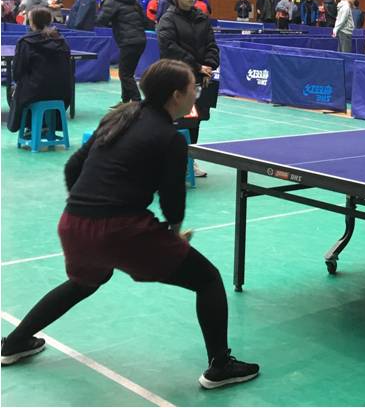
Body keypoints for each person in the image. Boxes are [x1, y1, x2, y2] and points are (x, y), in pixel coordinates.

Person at [0, 58, 260, 389]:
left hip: (73, 222)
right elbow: (172, 199)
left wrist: (87, 209)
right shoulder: (170, 138)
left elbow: (72, 169)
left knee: (83, 282)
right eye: (193, 88)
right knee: (207, 279)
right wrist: (174, 234)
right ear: (176, 95)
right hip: (120, 230)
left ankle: (14, 343)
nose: (196, 94)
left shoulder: (118, 117)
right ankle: (220, 366)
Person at [157, 0, 219, 178]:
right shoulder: (167, 19)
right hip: (176, 78)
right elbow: (169, 48)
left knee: (195, 121)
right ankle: (169, 161)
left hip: (199, 79)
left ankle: (189, 160)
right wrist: (197, 66)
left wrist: (209, 66)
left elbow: (211, 45)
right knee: (175, 122)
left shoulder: (201, 18)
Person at [6, 7, 72, 133]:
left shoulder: (25, 42)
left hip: (35, 93)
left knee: (14, 89)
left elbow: (18, 72)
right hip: (62, 93)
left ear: (32, 22)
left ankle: (31, 127)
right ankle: (45, 125)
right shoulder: (62, 41)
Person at [96, 0, 147, 105]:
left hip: (129, 41)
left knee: (125, 74)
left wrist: (100, 6)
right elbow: (143, 19)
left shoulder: (111, 0)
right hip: (140, 39)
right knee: (128, 73)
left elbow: (101, 20)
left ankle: (137, 103)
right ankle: (125, 102)